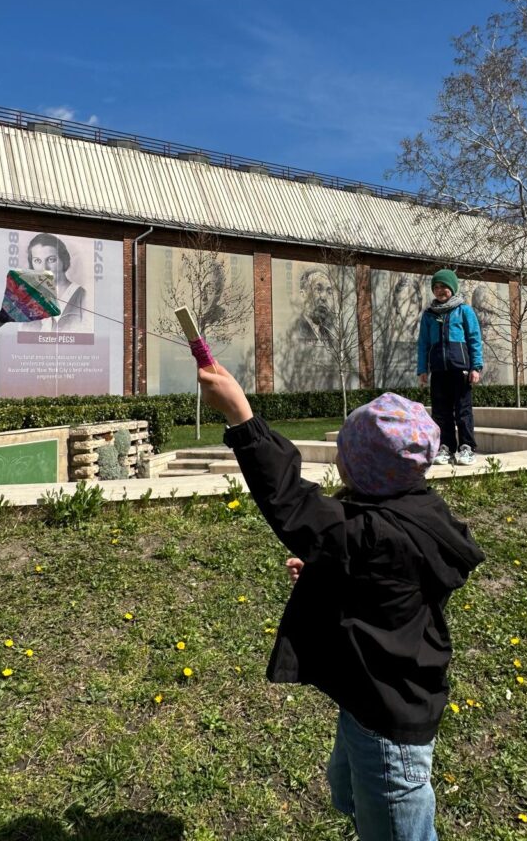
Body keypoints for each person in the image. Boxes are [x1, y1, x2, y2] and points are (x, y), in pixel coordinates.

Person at [198, 362, 485, 841]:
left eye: (344, 454)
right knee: (346, 792)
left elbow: (293, 505)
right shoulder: (411, 514)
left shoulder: (376, 535)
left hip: (390, 724)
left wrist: (241, 415)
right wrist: (327, 570)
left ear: (364, 470)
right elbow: (379, 577)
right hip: (370, 702)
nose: (337, 460)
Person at [417, 269, 483, 466]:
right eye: (436, 287)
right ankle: (445, 447)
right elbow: (423, 344)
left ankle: (467, 447)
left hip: (460, 369)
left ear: (452, 288)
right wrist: (422, 369)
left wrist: (476, 367)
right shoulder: (429, 315)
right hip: (438, 370)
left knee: (463, 410)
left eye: (443, 286)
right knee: (440, 411)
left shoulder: (464, 311)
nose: (439, 290)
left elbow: (474, 340)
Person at [26, 233, 87, 332]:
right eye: (37, 261)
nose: (44, 268)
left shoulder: (82, 296)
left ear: (63, 260)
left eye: (51, 260)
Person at [287, 267, 336, 345]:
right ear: (303, 294)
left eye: (329, 292)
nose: (324, 297)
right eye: (318, 289)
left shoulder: (329, 335)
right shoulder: (295, 332)